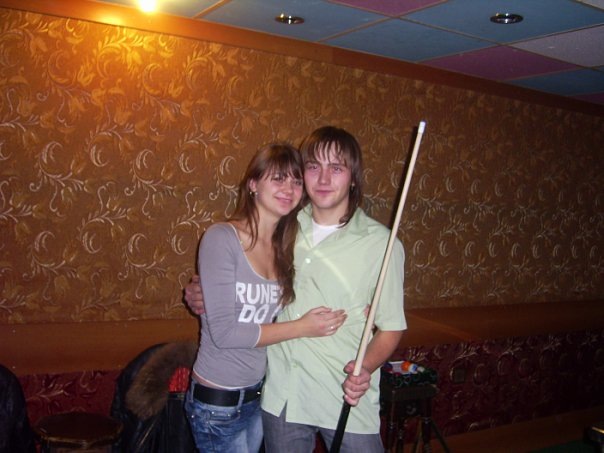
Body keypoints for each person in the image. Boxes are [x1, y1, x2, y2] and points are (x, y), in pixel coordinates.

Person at [185, 127, 406, 452]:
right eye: (314, 167)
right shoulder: (285, 228)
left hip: (343, 395)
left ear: (353, 177)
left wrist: (367, 367)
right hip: (282, 397)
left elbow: (392, 326)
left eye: (337, 168)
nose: (324, 178)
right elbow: (237, 278)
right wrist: (200, 290)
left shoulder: (382, 245)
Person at [184, 143, 347, 453]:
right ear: (253, 185)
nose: (289, 188)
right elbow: (225, 333)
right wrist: (302, 327)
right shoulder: (222, 238)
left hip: (260, 396)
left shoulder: (286, 247)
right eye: (278, 178)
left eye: (296, 181)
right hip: (219, 404)